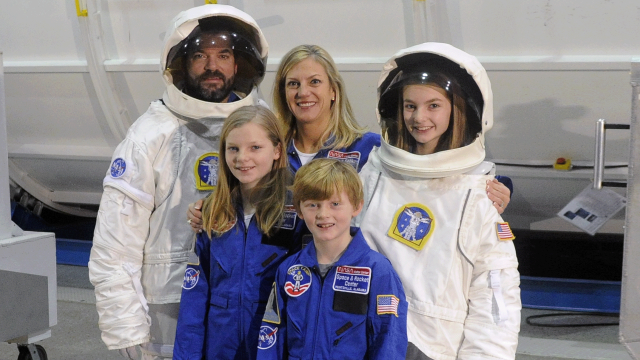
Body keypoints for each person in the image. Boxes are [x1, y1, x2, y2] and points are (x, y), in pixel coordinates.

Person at [88, 5, 269, 359]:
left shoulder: (263, 125)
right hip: (168, 311)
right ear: (182, 63)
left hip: (247, 305)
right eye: (200, 55)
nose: (212, 66)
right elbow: (114, 247)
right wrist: (127, 330)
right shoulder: (150, 134)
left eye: (223, 55)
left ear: (240, 63)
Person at [186, 45, 512, 231]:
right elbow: (237, 194)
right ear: (282, 93)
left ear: (332, 91)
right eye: (293, 84)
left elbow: (429, 175)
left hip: (338, 282)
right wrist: (209, 209)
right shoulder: (269, 149)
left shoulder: (367, 148)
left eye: (314, 82)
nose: (303, 93)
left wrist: (497, 189)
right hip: (269, 276)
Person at [355, 42, 521, 360]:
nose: (419, 117)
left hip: (433, 347)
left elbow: (495, 298)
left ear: (458, 108)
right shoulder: (374, 172)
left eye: (433, 105)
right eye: (410, 106)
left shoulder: (478, 193)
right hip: (363, 336)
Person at [173, 105, 299, 360]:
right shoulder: (212, 211)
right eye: (233, 148)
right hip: (220, 347)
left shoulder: (298, 212)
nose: (242, 158)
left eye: (255, 147)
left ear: (276, 150)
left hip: (274, 347)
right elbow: (194, 298)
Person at [257, 159, 408, 360]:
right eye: (313, 205)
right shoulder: (289, 270)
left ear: (356, 207)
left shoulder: (377, 271)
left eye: (335, 204)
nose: (323, 214)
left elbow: (388, 342)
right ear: (300, 210)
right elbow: (271, 337)